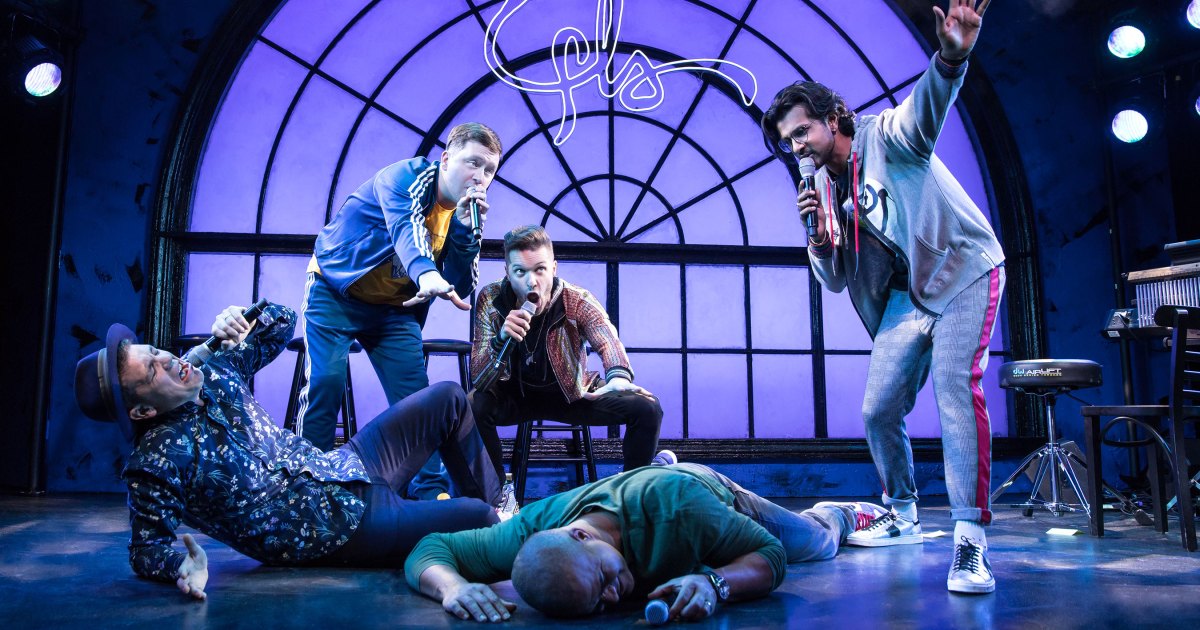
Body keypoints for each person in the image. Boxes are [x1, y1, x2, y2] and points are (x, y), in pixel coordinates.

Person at [760, 0, 1002, 594]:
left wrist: (951, 57)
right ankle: (904, 513)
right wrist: (817, 239)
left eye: (802, 132)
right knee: (877, 410)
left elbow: (926, 108)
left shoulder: (887, 136)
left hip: (962, 271)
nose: (797, 147)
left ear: (834, 118)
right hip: (906, 297)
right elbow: (835, 280)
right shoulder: (822, 188)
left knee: (954, 389)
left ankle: (970, 541)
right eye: (788, 142)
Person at [72, 301, 503, 600]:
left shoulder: (214, 372)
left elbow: (282, 322)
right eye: (153, 370)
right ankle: (493, 527)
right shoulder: (156, 461)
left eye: (156, 351)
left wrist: (232, 323)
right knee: (475, 518)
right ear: (143, 410)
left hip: (345, 464)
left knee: (448, 398)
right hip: (334, 530)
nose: (168, 359)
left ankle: (502, 522)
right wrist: (180, 566)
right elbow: (146, 549)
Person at [404, 457, 886, 622]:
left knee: (815, 542)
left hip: (706, 490)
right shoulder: (529, 531)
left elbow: (770, 555)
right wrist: (452, 587)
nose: (616, 596)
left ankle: (843, 512)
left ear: (580, 535)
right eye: (600, 603)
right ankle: (656, 462)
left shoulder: (681, 510)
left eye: (604, 580)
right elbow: (430, 548)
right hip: (646, 488)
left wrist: (717, 583)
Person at [298, 122, 502, 498]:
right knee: (326, 382)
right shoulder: (405, 178)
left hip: (393, 311)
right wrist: (426, 273)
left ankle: (431, 495)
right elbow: (405, 228)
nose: (480, 176)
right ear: (445, 159)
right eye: (473, 162)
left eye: (489, 170)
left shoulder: (465, 213)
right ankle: (309, 490)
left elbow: (461, 283)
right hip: (336, 292)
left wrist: (464, 232)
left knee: (418, 401)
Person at [469, 225, 663, 480]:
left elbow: (606, 339)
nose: (531, 281)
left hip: (571, 395)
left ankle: (631, 491)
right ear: (507, 273)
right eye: (520, 272)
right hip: (515, 395)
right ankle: (495, 493)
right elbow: (479, 379)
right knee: (472, 405)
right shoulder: (491, 298)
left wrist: (618, 377)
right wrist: (500, 340)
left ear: (554, 268)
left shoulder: (577, 299)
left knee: (648, 408)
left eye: (540, 269)